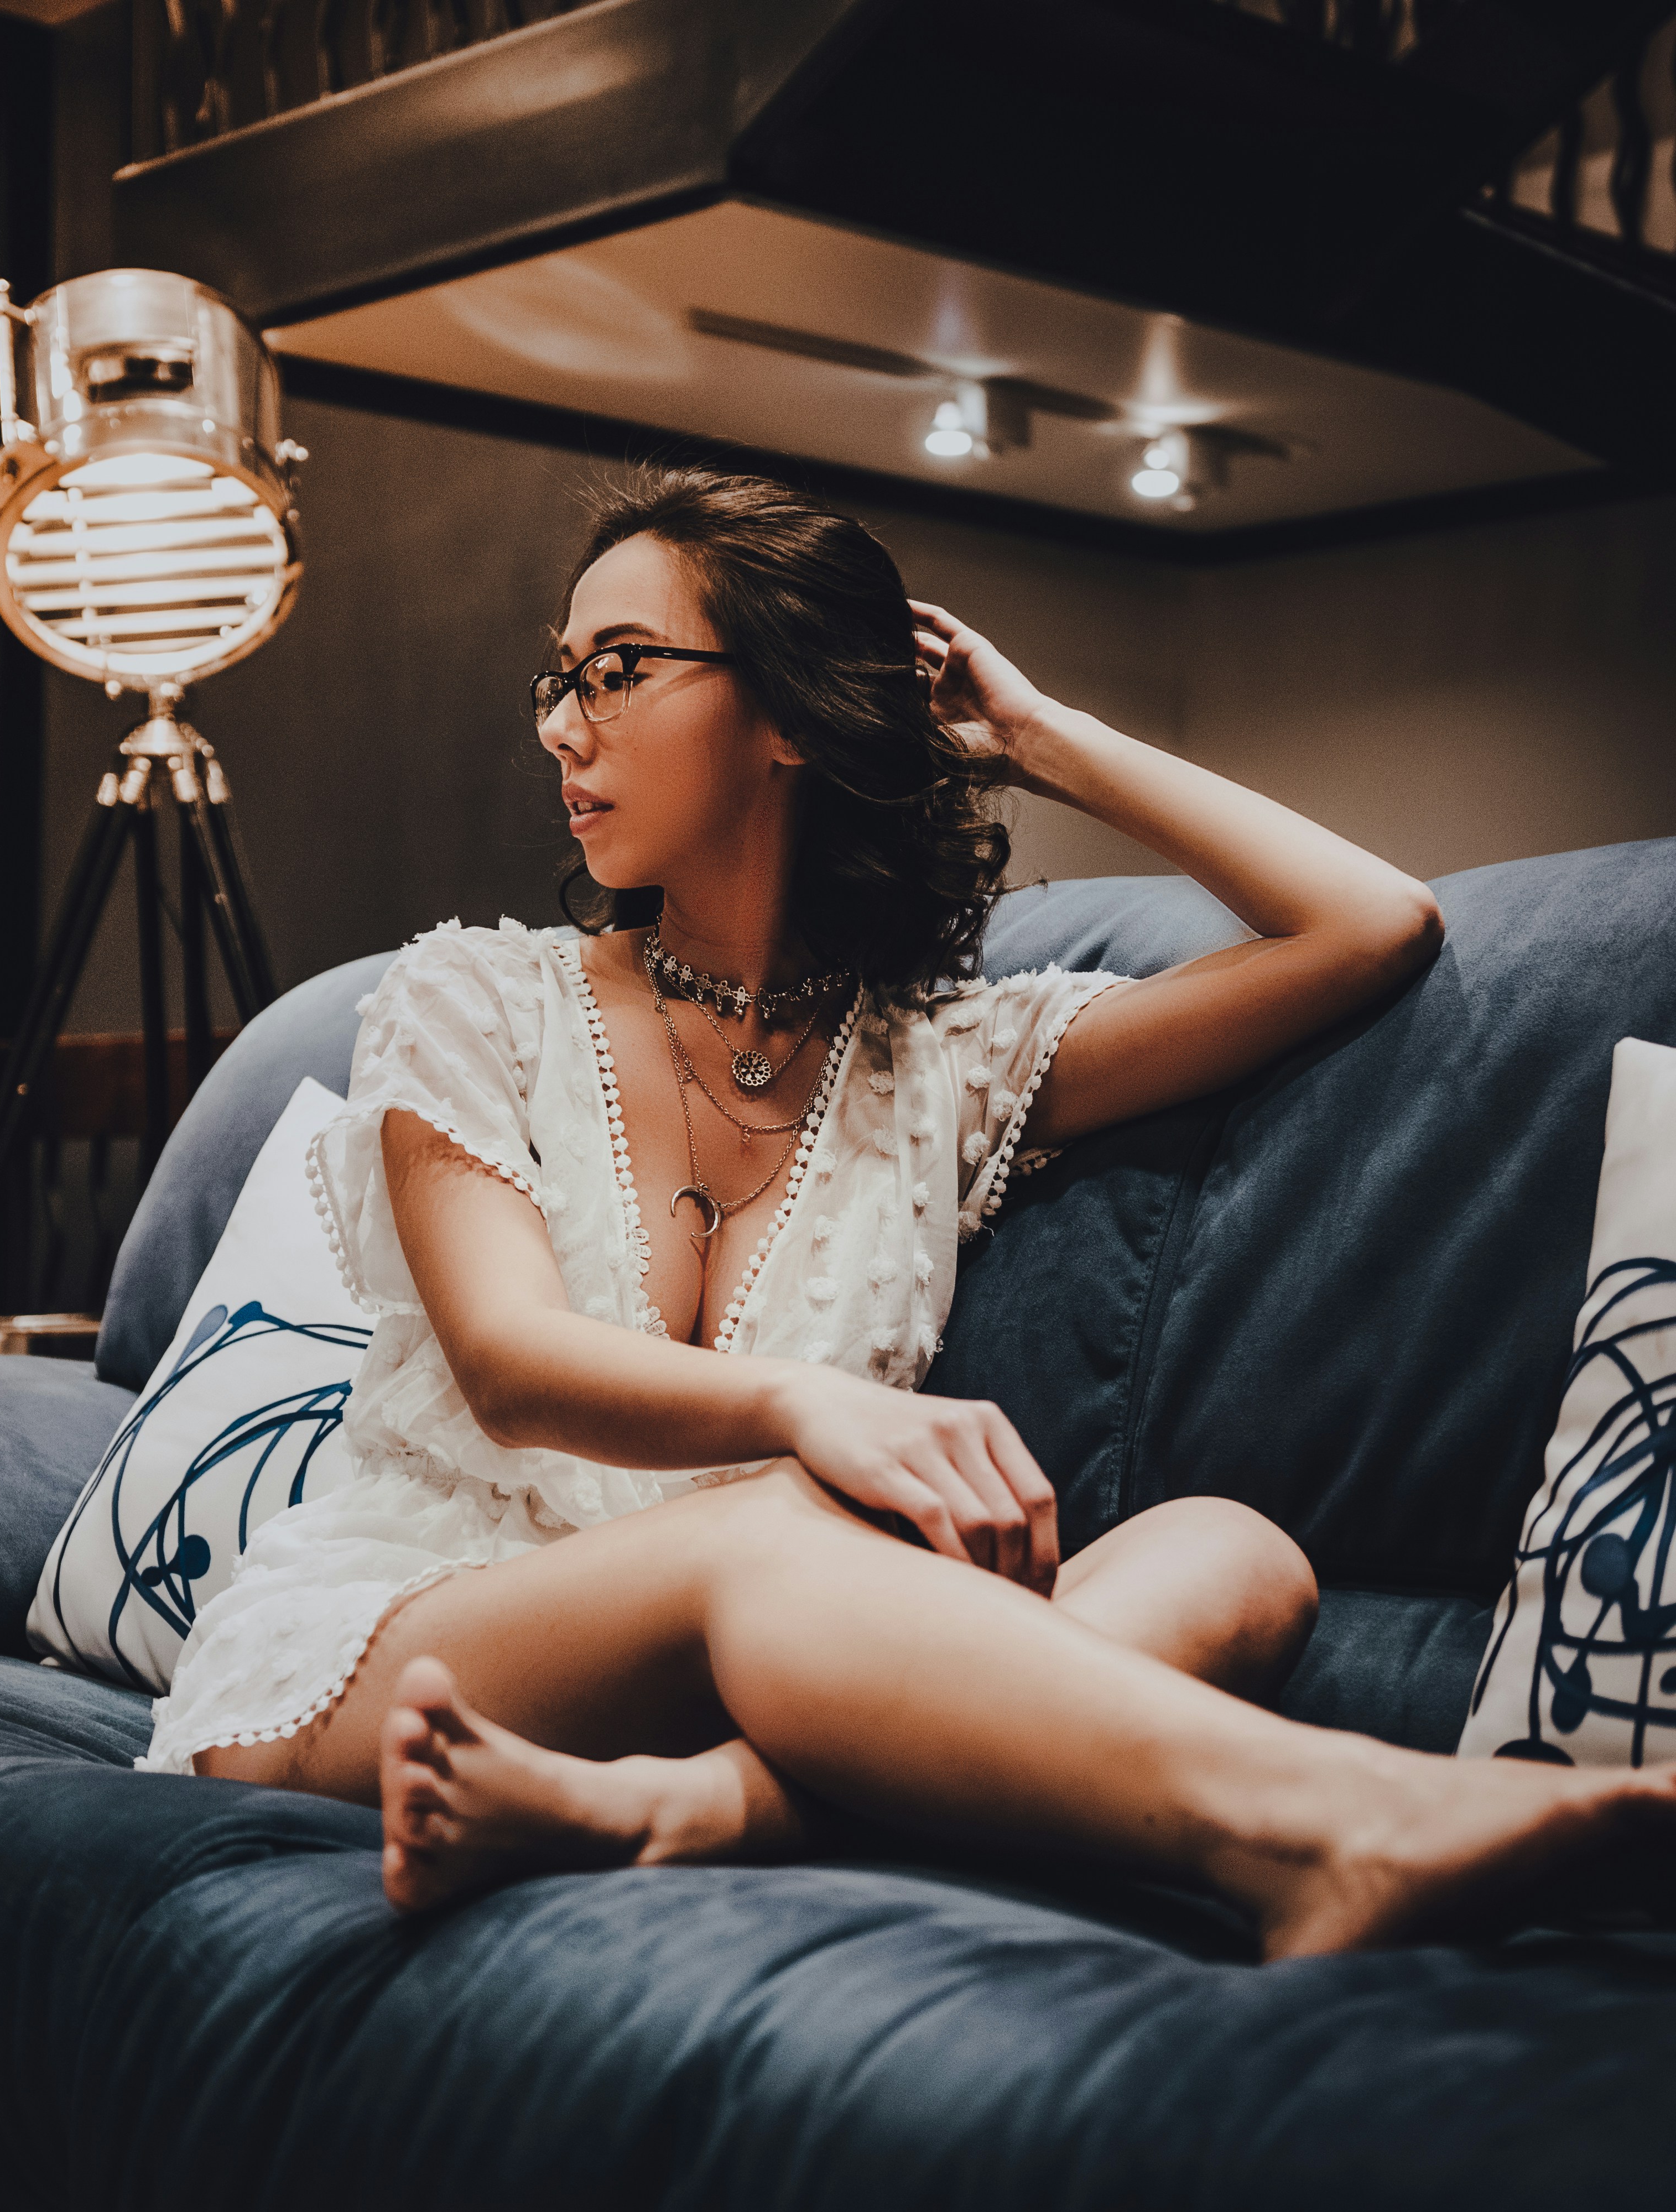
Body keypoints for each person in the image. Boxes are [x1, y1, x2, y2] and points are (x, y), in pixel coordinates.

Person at [150, 469, 1675, 1957]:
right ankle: (1331, 1828)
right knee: (782, 1527)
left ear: (794, 716)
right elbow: (509, 1359)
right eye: (558, 680)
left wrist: (1038, 736)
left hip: (784, 1672)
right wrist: (812, 1411)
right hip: (409, 1648)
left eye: (616, 671)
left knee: (1236, 1556)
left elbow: (1374, 926)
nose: (562, 722)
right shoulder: (471, 995)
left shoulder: (941, 1062)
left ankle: (681, 1812)